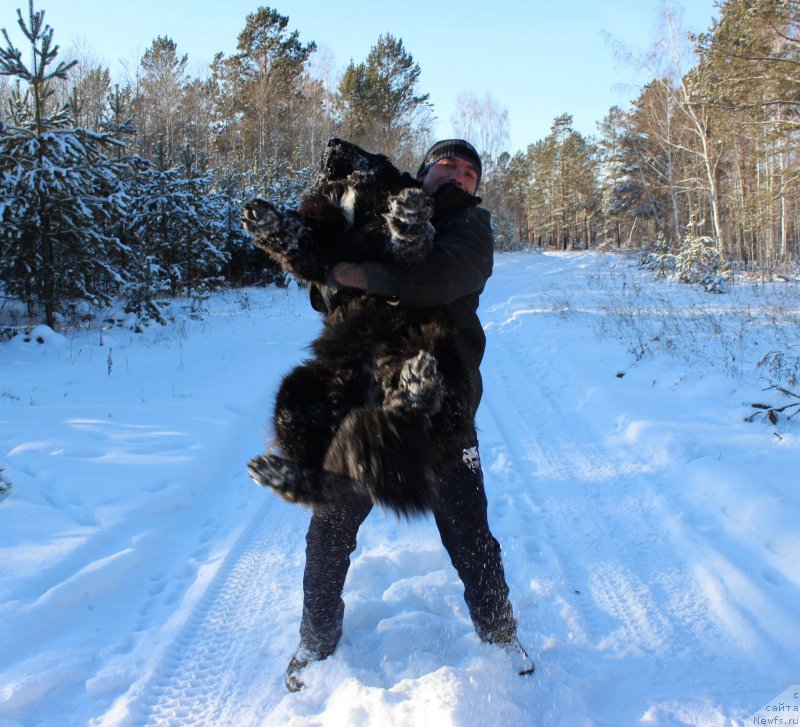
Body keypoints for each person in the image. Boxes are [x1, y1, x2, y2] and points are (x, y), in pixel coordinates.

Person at [285, 139, 534, 692]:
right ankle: (315, 639)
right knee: (328, 533)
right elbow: (319, 286)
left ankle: (499, 633)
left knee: (469, 534)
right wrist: (328, 240)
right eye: (449, 164)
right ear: (424, 171)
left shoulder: (471, 230)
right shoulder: (377, 210)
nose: (460, 176)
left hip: (437, 410)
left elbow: (438, 280)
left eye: (471, 172)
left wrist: (357, 274)